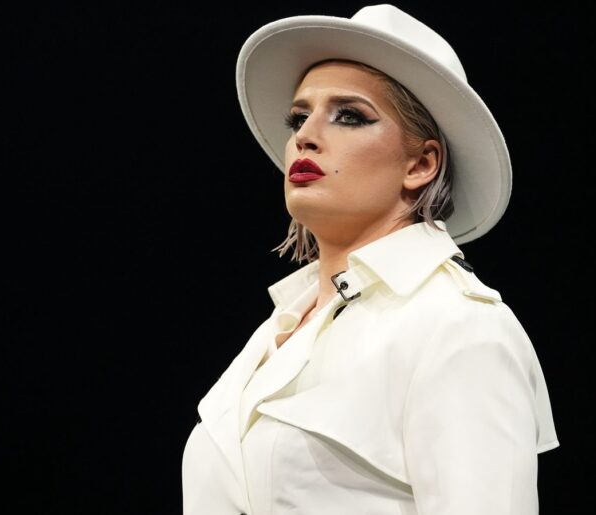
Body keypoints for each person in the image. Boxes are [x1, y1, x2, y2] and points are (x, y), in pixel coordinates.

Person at [181, 4, 559, 514]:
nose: (304, 136)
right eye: (298, 117)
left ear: (421, 164)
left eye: (349, 116)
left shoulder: (459, 327)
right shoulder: (279, 330)